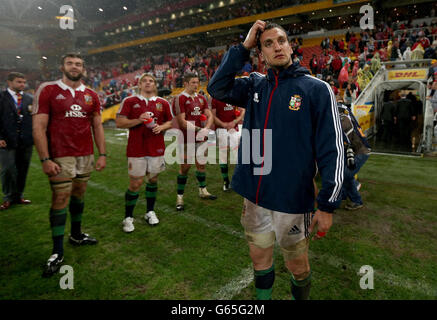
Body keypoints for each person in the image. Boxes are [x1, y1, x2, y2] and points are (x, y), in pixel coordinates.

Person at [207, 20, 344, 300]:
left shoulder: (316, 89)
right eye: (267, 43)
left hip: (292, 200)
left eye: (281, 40)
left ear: (291, 46)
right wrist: (243, 47)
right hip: (254, 197)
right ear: (261, 55)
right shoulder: (255, 84)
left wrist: (328, 203)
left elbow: (333, 148)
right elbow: (217, 88)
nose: (276, 46)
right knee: (260, 262)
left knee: (297, 266)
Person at [33, 53, 107, 277]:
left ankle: (76, 235)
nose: (74, 67)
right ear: (62, 66)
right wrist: (45, 159)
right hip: (60, 155)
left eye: (78, 64)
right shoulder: (48, 89)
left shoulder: (91, 94)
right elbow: (38, 126)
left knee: (79, 194)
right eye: (70, 63)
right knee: (60, 198)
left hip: (85, 154)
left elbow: (97, 125)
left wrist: (102, 153)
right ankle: (57, 251)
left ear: (84, 68)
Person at [115, 73, 173, 232]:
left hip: (156, 148)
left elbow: (171, 121)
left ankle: (150, 211)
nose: (148, 83)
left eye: (151, 81)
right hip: (136, 149)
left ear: (155, 85)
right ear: (139, 85)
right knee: (135, 183)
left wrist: (161, 127)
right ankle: (128, 217)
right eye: (144, 81)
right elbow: (119, 122)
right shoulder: (130, 101)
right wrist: (139, 120)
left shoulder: (163, 103)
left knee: (153, 180)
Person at [173, 73, 217, 211]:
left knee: (201, 165)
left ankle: (203, 191)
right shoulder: (179, 98)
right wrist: (200, 129)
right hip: (187, 138)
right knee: (185, 167)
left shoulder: (201, 97)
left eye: (197, 82)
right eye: (193, 82)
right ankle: (179, 197)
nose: (196, 85)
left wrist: (207, 128)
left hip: (201, 136)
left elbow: (209, 115)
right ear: (185, 83)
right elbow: (182, 121)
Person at [0, 72, 33, 210]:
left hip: (25, 140)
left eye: (23, 82)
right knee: (7, 169)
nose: (22, 85)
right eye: (19, 82)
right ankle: (8, 197)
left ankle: (18, 195)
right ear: (9, 82)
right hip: (6, 140)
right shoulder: (1, 97)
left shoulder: (29, 98)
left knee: (22, 169)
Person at [338, 103, 370, 210]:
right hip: (358, 150)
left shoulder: (343, 121)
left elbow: (339, 139)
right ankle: (343, 195)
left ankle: (356, 200)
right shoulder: (347, 117)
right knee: (344, 173)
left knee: (345, 175)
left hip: (360, 152)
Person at [210, 97, 245, 191]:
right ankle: (226, 181)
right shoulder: (215, 97)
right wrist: (223, 124)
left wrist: (234, 122)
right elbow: (213, 116)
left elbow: (243, 110)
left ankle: (238, 180)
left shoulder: (233, 94)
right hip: (221, 129)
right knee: (223, 155)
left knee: (238, 154)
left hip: (234, 128)